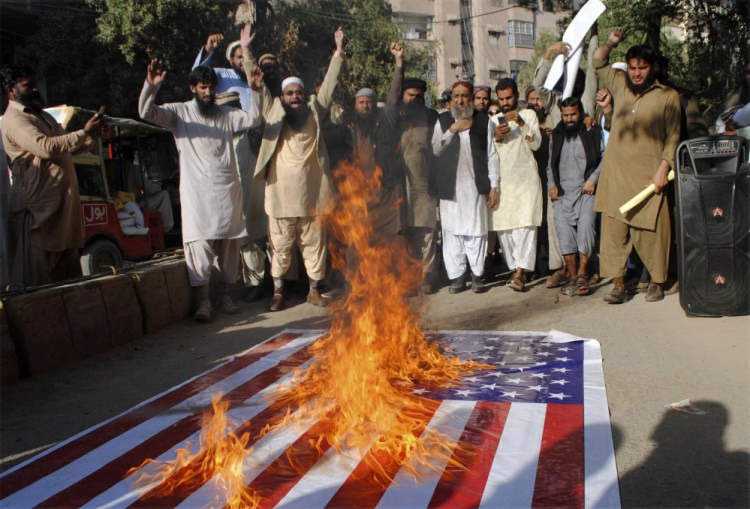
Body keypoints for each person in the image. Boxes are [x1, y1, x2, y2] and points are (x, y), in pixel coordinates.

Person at [139, 24, 262, 322]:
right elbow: (145, 112)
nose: (208, 93)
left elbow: (255, 118)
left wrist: (256, 90)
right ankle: (204, 301)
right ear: (193, 89)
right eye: (202, 88)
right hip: (197, 194)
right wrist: (151, 86)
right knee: (201, 248)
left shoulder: (225, 114)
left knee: (229, 246)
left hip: (227, 191)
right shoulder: (179, 113)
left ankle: (227, 298)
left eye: (211, 87)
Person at [254, 27, 345, 312]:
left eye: (299, 93)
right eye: (290, 93)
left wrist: (339, 51)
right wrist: (246, 54)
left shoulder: (314, 110)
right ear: (282, 96)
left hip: (313, 195)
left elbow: (329, 84)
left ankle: (313, 290)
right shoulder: (274, 111)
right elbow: (258, 86)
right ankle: (278, 292)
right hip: (280, 196)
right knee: (279, 247)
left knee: (314, 245)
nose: (295, 97)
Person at [593, 29, 681, 303]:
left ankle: (657, 281)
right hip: (616, 177)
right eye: (632, 68)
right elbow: (597, 61)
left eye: (642, 68)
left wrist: (661, 172)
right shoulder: (619, 85)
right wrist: (611, 43)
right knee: (614, 235)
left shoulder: (668, 96)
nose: (637, 73)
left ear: (652, 68)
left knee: (653, 234)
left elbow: (674, 138)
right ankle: (619, 284)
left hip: (648, 179)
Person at [1, 64, 105, 288]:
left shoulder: (44, 117)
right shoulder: (14, 119)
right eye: (28, 86)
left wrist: (90, 137)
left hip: (61, 211)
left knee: (68, 281)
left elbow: (67, 145)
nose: (35, 90)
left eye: (35, 84)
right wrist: (83, 133)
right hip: (38, 214)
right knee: (38, 285)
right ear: (11, 91)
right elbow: (45, 147)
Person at [432, 81, 499, 294]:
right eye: (457, 96)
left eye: (465, 96)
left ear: (471, 98)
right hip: (450, 189)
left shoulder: (483, 121)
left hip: (475, 187)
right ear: (451, 99)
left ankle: (477, 275)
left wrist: (494, 186)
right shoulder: (442, 120)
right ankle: (458, 277)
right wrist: (453, 129)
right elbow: (435, 149)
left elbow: (491, 155)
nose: (461, 100)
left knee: (476, 232)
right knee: (452, 233)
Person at [488, 78, 543, 292]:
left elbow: (537, 143)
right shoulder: (492, 120)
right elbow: (489, 154)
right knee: (506, 230)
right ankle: (515, 270)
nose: (505, 103)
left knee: (526, 227)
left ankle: (521, 272)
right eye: (501, 99)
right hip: (503, 183)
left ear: (516, 95)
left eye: (509, 98)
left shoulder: (528, 115)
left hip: (526, 181)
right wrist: (495, 138)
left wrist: (521, 123)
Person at [547, 97, 603, 296]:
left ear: (581, 113)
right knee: (564, 233)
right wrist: (551, 184)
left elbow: (603, 158)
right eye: (565, 115)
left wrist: (594, 179)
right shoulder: (556, 134)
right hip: (562, 193)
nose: (569, 119)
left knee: (586, 228)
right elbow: (550, 165)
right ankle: (572, 276)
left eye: (573, 114)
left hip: (586, 190)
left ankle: (582, 274)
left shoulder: (592, 131)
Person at [395, 53, 440, 293]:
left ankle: (424, 277)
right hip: (400, 185)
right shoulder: (395, 119)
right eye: (410, 96)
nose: (414, 100)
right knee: (405, 233)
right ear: (403, 96)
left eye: (419, 96)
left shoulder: (432, 117)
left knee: (426, 232)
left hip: (424, 184)